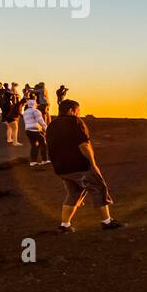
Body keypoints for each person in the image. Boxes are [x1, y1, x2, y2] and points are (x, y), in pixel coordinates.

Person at [45, 99, 124, 232]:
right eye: (78, 111)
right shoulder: (75, 122)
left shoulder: (51, 125)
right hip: (80, 166)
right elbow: (84, 145)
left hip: (61, 168)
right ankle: (107, 222)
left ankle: (65, 225)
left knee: (74, 194)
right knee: (99, 188)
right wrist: (93, 164)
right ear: (71, 110)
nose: (79, 113)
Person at [22, 98, 50, 166]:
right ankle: (44, 160)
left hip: (28, 130)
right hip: (35, 130)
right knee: (43, 144)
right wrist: (47, 129)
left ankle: (33, 162)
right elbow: (40, 121)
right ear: (34, 104)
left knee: (34, 146)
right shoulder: (36, 111)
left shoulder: (25, 112)